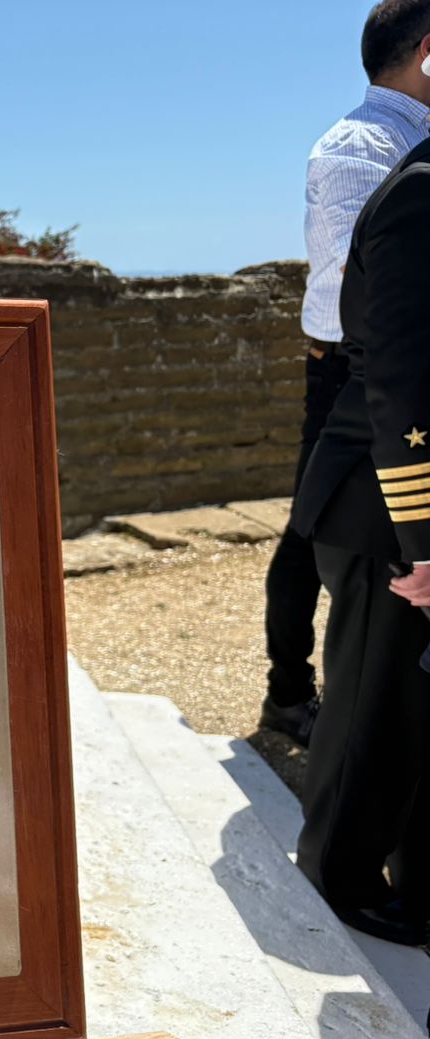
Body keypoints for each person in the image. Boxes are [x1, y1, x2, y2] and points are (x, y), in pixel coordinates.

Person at [289, 2, 430, 947]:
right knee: (373, 708)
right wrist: (425, 539)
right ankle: (334, 881)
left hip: (398, 491)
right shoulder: (413, 181)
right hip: (390, 499)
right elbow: (401, 381)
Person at [260, 0, 430, 746]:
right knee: (315, 530)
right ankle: (292, 695)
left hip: (375, 366)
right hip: (353, 371)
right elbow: (368, 287)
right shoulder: (359, 144)